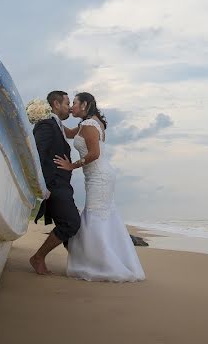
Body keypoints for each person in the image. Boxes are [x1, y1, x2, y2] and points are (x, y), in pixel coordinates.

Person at [54, 92, 145, 282]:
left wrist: (72, 166)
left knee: (95, 216)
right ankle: (102, 260)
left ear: (85, 105)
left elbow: (94, 154)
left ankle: (102, 265)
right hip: (98, 175)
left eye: (75, 103)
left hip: (99, 176)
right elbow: (68, 133)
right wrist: (50, 116)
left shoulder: (88, 125)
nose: (71, 107)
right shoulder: (88, 123)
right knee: (103, 216)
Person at [29, 90, 81, 275]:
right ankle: (38, 257)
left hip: (62, 185)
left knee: (70, 222)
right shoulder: (46, 125)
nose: (69, 107)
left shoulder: (57, 125)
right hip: (55, 186)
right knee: (71, 223)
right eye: (67, 103)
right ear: (56, 104)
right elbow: (37, 156)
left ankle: (79, 264)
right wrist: (43, 186)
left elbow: (75, 132)